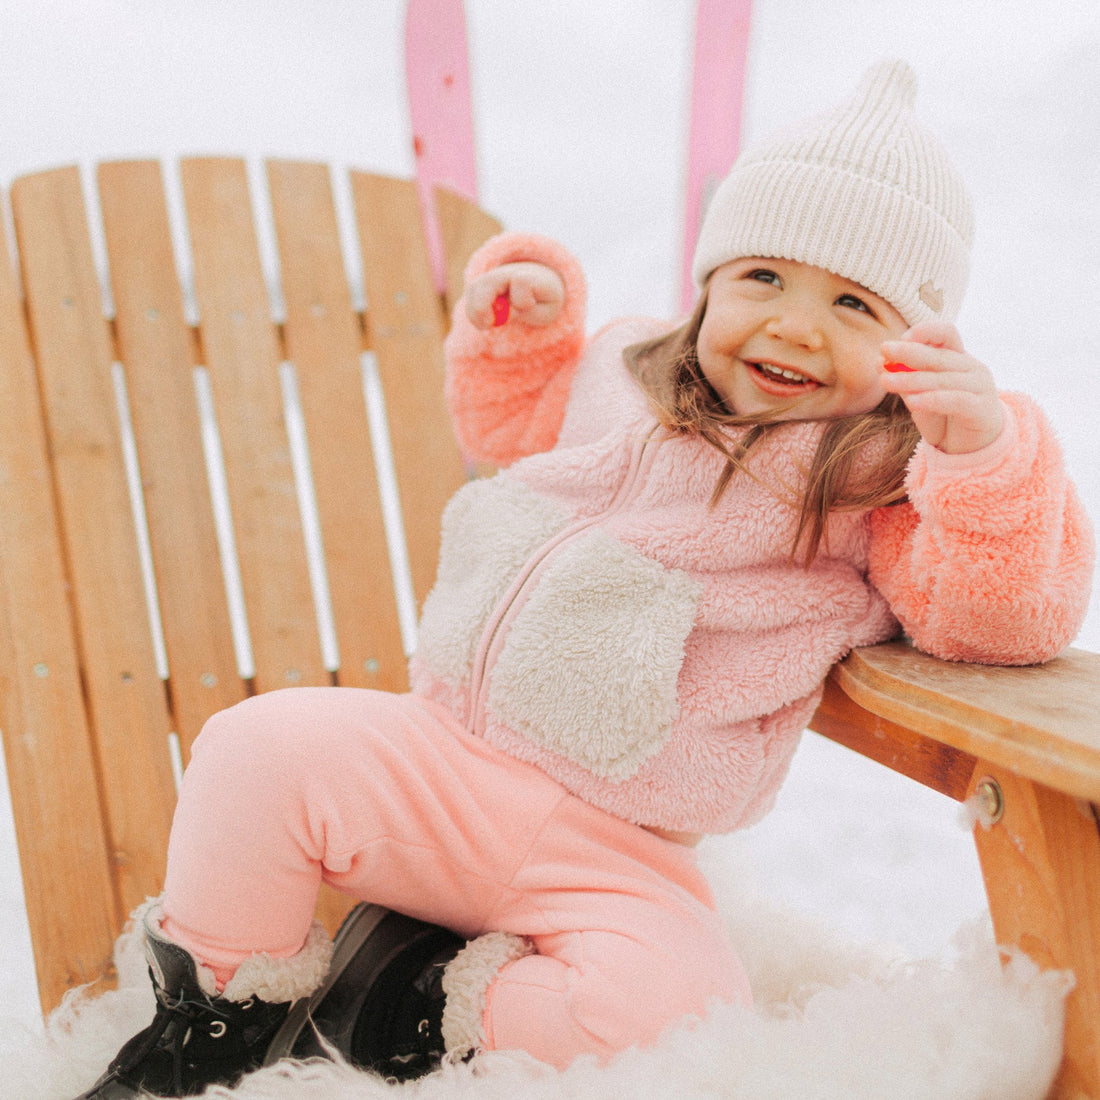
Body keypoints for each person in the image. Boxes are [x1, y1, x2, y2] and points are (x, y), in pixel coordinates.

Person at [75, 59, 1093, 1098]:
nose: (793, 322)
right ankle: (215, 1017)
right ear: (708, 279)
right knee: (254, 748)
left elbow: (995, 620)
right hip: (441, 760)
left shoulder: (879, 475)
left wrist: (976, 457)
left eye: (850, 301)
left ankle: (412, 994)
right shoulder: (621, 367)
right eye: (762, 278)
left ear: (909, 345)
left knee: (677, 1017)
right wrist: (520, 328)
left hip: (614, 846)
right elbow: (505, 424)